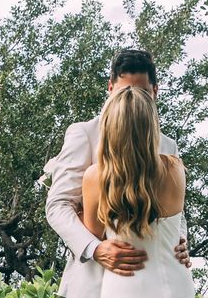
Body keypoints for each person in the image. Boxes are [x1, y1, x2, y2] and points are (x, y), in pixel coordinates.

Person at [44, 49, 190, 297]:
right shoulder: (83, 133)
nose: (133, 100)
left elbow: (177, 212)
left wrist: (181, 241)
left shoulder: (168, 146)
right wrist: (94, 247)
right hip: (93, 281)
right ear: (110, 88)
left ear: (155, 91)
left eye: (142, 92)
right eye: (124, 92)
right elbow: (58, 205)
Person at [81, 86, 195, 297]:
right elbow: (174, 225)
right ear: (151, 126)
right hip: (177, 281)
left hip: (126, 282)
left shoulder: (96, 177)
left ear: (109, 126)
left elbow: (94, 235)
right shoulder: (175, 169)